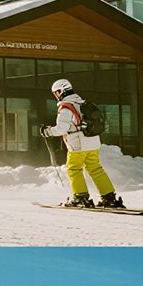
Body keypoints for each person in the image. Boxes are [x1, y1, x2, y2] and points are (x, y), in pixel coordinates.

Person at [40, 79, 123, 209]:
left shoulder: (66, 107)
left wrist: (48, 131)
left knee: (74, 169)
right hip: (93, 141)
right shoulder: (82, 102)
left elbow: (62, 128)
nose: (56, 96)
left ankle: (80, 197)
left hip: (78, 143)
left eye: (56, 93)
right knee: (95, 168)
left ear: (60, 91)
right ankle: (109, 197)